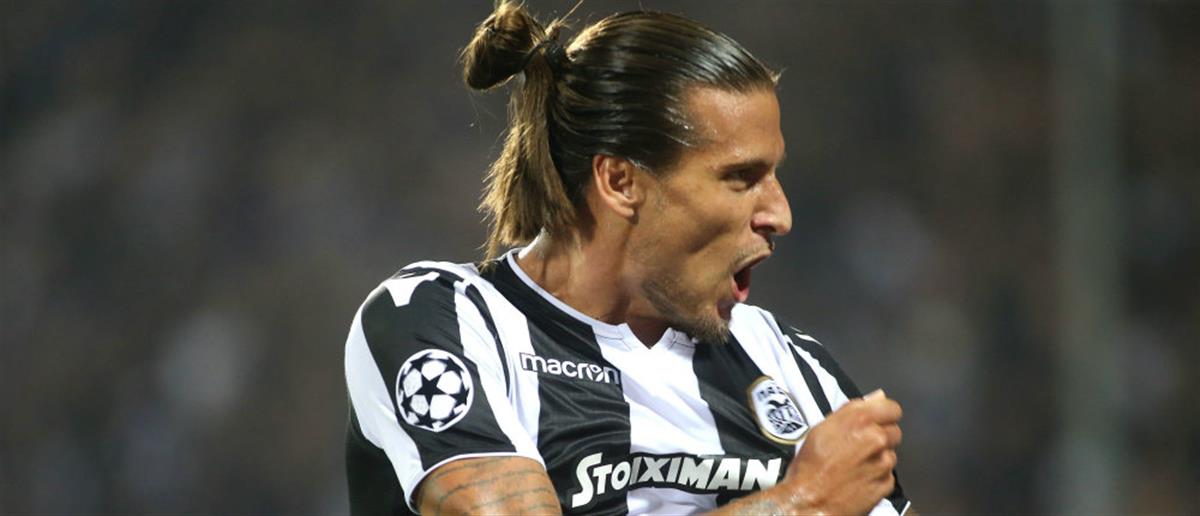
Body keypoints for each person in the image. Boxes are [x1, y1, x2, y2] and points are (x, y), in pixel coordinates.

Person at [344, 3, 911, 514]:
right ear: (620, 181)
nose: (779, 214)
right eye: (741, 178)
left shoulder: (787, 362)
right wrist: (801, 503)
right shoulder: (442, 322)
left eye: (774, 174)